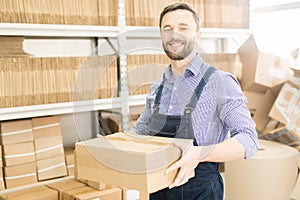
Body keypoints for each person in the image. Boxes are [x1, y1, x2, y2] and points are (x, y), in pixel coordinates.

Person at [132, 2, 258, 200]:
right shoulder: (157, 88)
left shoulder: (220, 82)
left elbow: (249, 140)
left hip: (200, 191)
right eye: (168, 29)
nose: (175, 35)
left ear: (197, 35)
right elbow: (138, 135)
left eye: (183, 28)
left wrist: (199, 154)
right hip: (157, 189)